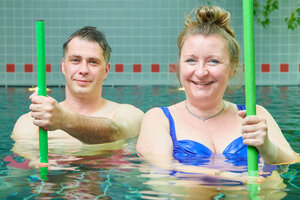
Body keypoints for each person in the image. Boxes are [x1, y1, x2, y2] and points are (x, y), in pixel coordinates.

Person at [136, 6, 297, 172]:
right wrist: (230, 177)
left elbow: (291, 164)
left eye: (213, 61)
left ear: (232, 67)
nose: (200, 72)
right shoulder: (159, 119)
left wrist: (268, 149)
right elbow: (162, 177)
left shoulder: (255, 115)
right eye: (191, 60)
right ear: (179, 65)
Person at [12, 26, 144, 148]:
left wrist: (64, 119)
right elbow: (18, 168)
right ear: (63, 66)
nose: (83, 70)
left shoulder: (130, 114)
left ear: (106, 70)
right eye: (75, 60)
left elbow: (115, 132)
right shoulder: (31, 123)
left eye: (93, 62)